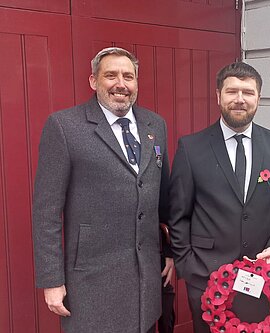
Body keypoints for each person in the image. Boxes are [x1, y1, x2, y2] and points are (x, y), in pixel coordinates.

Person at [32, 47, 173, 333]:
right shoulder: (64, 126)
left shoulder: (155, 125)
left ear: (136, 83)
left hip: (146, 280)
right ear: (93, 81)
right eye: (111, 75)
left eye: (128, 76)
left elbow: (165, 198)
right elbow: (46, 211)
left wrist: (170, 252)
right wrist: (51, 280)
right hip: (91, 282)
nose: (120, 83)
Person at [167, 62, 270, 332]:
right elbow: (178, 215)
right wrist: (189, 267)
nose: (240, 99)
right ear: (218, 96)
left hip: (263, 277)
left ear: (258, 98)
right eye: (232, 92)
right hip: (206, 278)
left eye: (248, 92)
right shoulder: (191, 147)